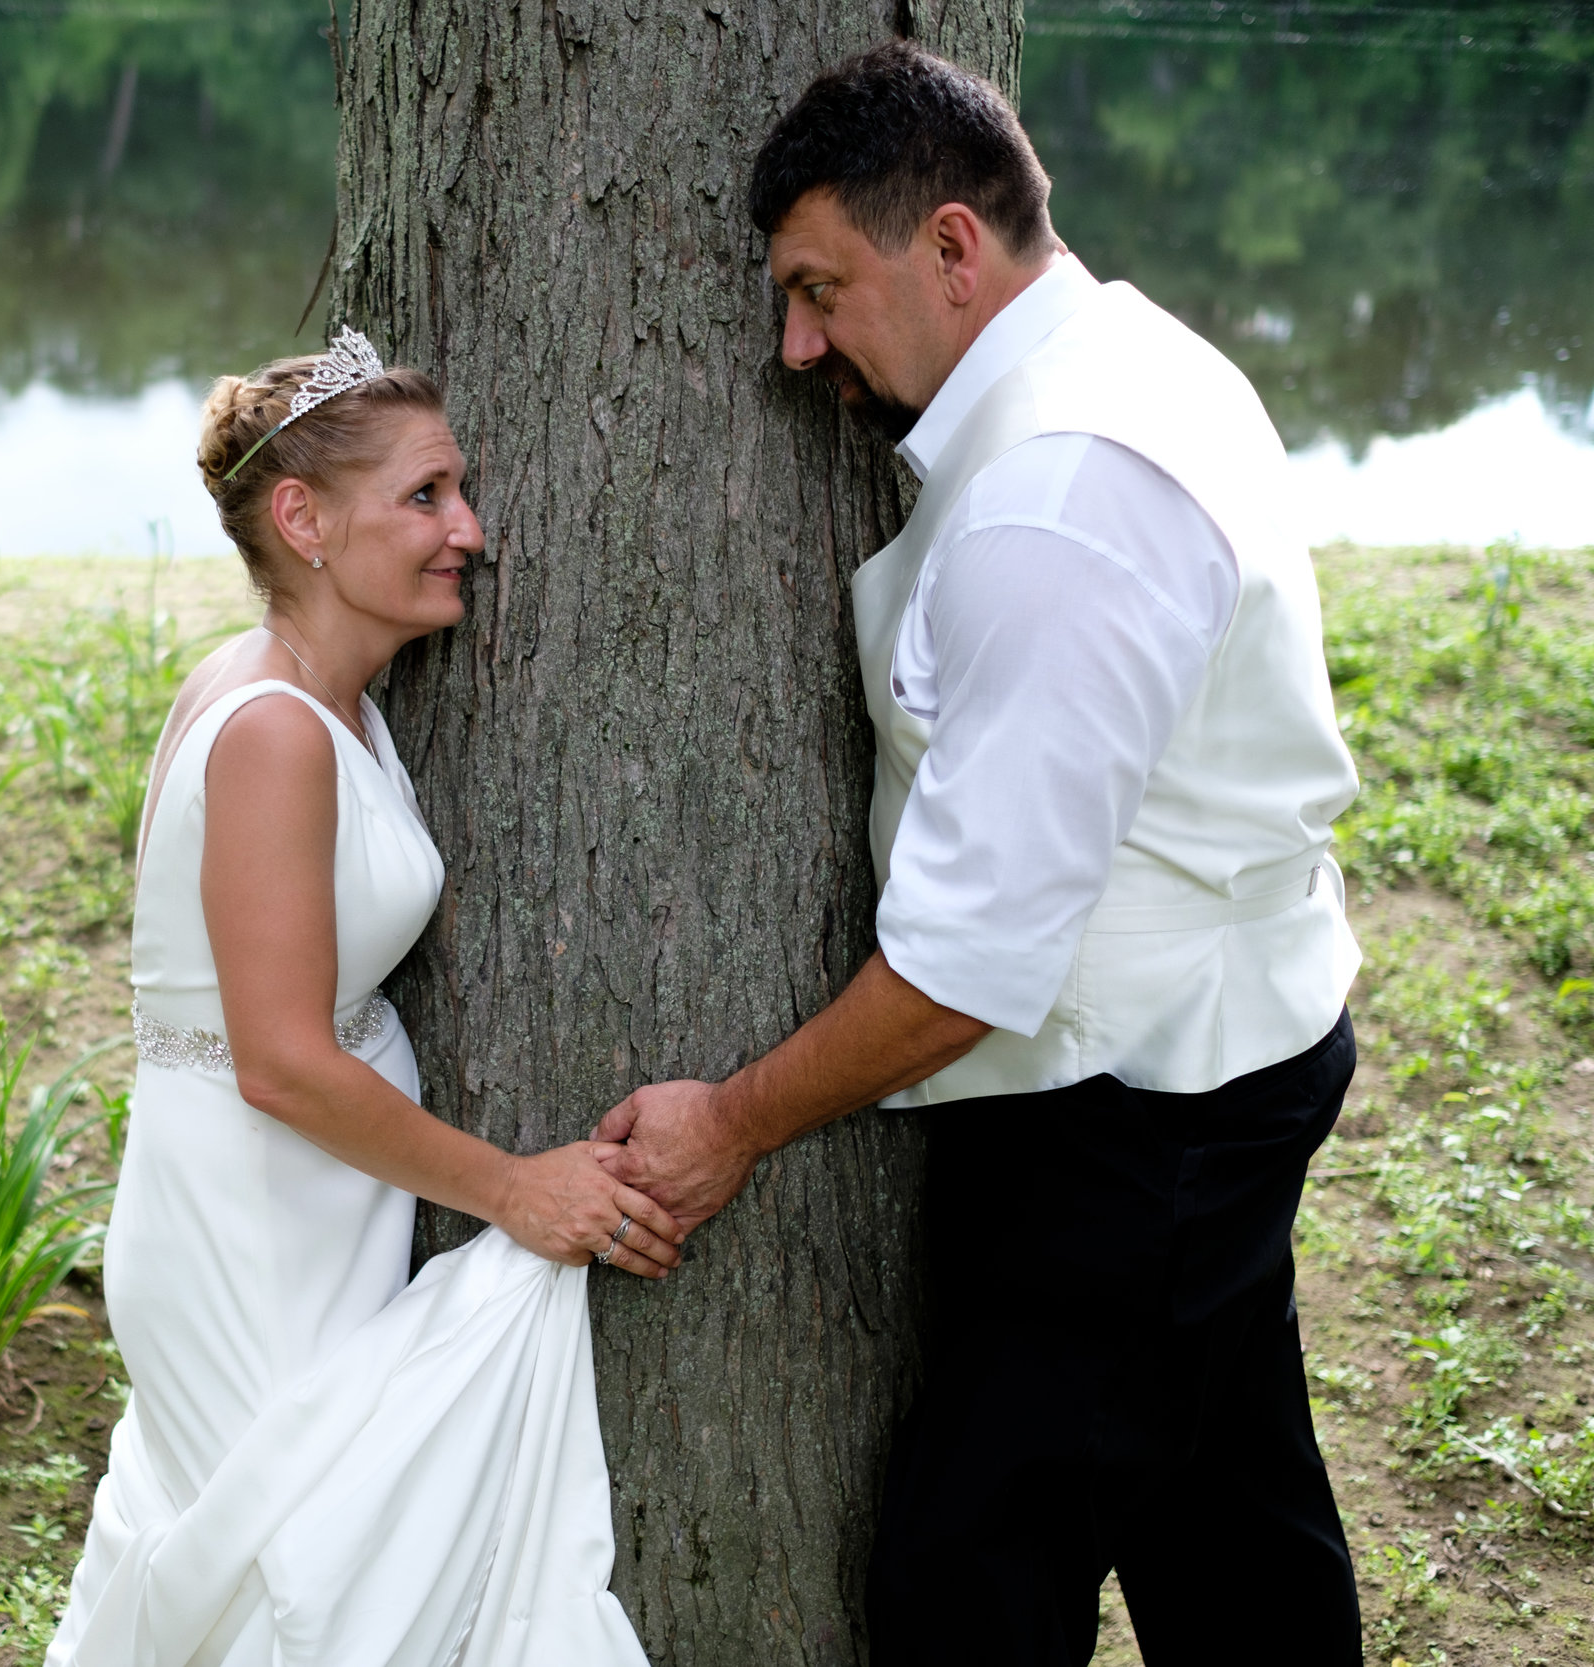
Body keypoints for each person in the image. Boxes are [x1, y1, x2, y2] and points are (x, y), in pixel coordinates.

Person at [595, 43, 1365, 1667]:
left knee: (970, 1581)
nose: (795, 343)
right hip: (1216, 1051)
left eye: (820, 288)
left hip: (1140, 1118)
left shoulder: (1056, 507)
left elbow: (966, 971)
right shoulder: (1130, 357)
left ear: (952, 247)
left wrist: (729, 1127)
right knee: (1226, 1513)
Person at [44, 329, 669, 1667]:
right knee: (293, 1565)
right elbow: (275, 1058)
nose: (472, 531)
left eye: (460, 492)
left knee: (305, 1552)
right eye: (426, 496)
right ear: (302, 520)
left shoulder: (324, 698)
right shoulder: (270, 728)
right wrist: (512, 1188)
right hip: (253, 1223)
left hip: (311, 1202)